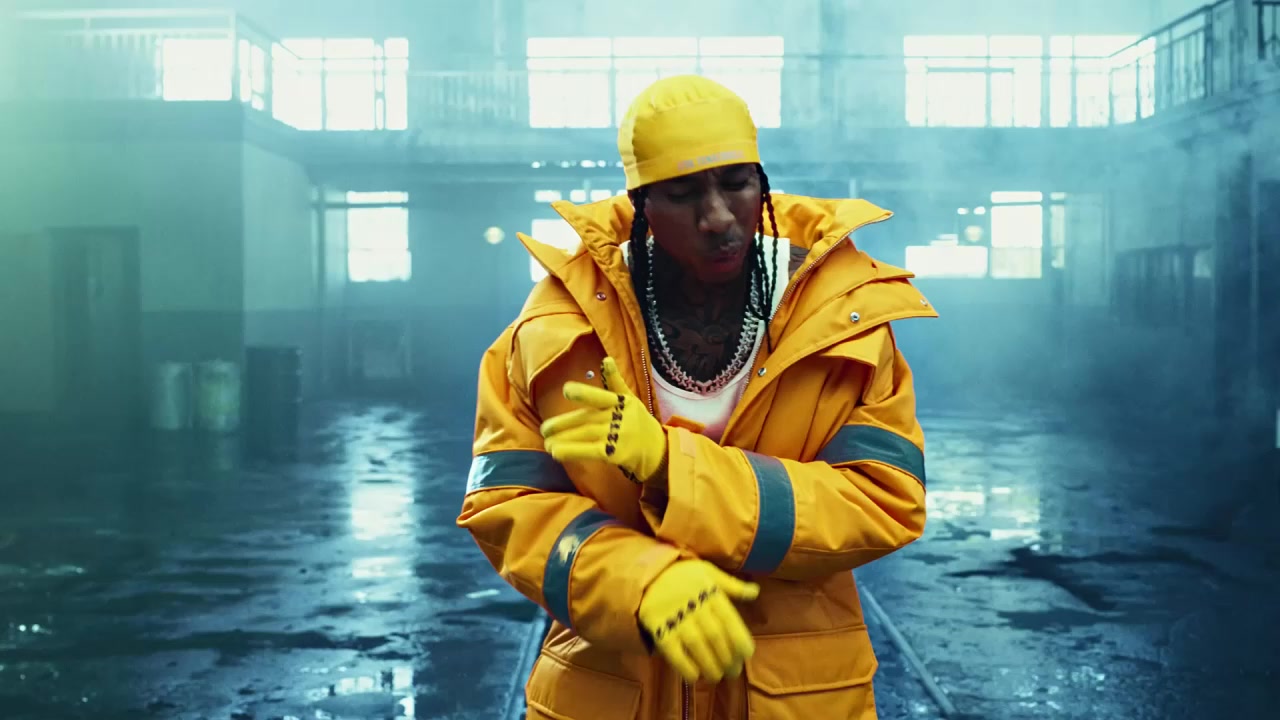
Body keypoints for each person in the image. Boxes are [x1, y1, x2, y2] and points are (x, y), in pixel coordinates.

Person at [457, 75, 937, 720]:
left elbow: (883, 498)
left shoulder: (845, 320)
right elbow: (506, 505)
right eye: (683, 195)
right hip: (610, 693)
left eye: (736, 183)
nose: (717, 218)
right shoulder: (554, 328)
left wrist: (669, 465)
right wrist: (638, 581)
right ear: (641, 203)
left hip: (799, 697)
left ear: (762, 183)